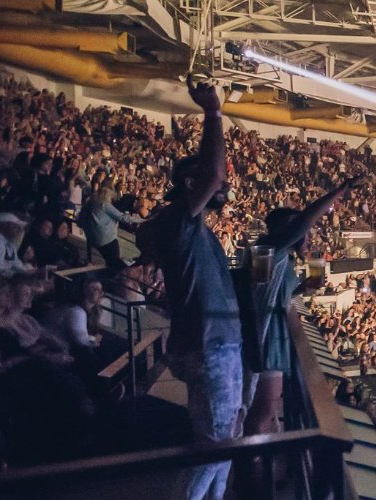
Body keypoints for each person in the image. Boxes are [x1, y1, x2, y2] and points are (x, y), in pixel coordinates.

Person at [135, 81, 241, 500]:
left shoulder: (190, 227)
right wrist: (213, 113)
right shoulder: (178, 221)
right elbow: (215, 172)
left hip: (208, 343)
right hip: (209, 345)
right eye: (212, 185)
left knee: (219, 444)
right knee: (215, 448)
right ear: (189, 185)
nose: (223, 187)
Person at [243, 176, 358, 434]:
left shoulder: (274, 255)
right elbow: (262, 300)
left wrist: (301, 290)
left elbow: (267, 293)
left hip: (272, 335)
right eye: (304, 232)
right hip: (265, 338)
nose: (308, 237)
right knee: (261, 414)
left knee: (267, 411)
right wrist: (338, 191)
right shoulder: (268, 247)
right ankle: (252, 466)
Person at [78, 187, 144, 269]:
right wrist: (142, 220)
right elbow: (123, 218)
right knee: (115, 263)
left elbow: (80, 222)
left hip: (92, 239)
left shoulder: (89, 204)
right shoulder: (104, 205)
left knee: (110, 261)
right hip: (107, 239)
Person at [0, 212, 37, 280]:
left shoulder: (9, 243)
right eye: (15, 225)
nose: (18, 229)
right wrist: (14, 274)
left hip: (2, 281)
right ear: (3, 225)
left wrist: (31, 272)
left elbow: (16, 263)